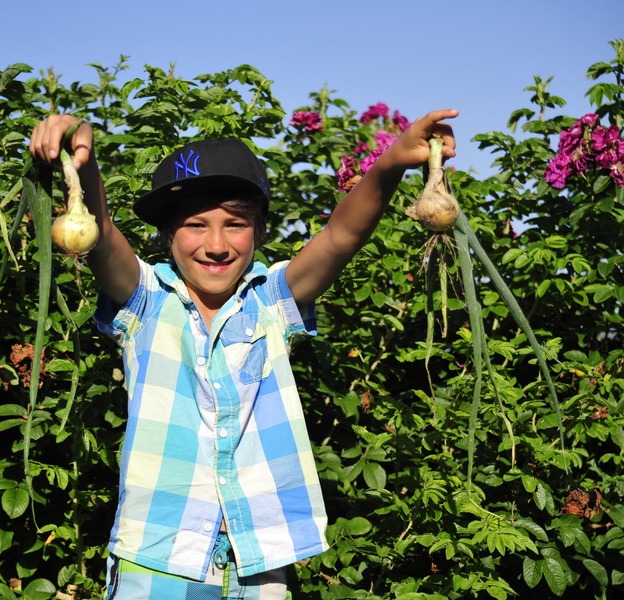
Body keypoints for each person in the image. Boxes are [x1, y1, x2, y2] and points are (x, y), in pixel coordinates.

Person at [29, 109, 457, 599]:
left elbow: (341, 237)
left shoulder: (271, 302)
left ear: (257, 232)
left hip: (261, 562)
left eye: (235, 224)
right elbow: (100, 234)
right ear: (169, 236)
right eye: (195, 225)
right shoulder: (147, 302)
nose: (216, 245)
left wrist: (391, 164)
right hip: (160, 558)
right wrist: (82, 161)